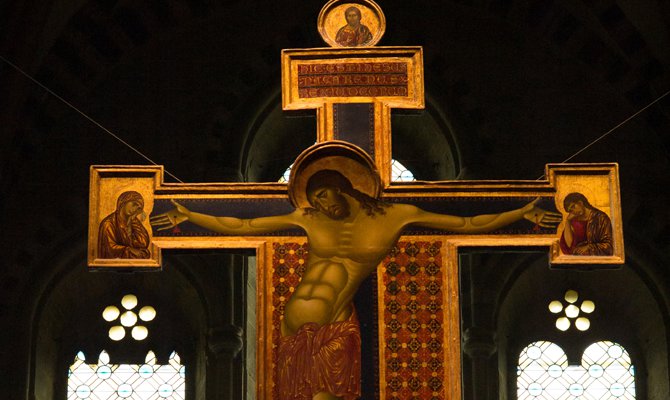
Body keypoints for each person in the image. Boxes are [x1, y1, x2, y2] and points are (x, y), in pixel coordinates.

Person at [150, 142, 560, 400]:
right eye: (315, 197)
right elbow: (243, 225)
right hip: (296, 326)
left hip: (338, 326)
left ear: (344, 186)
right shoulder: (308, 218)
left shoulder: (397, 215)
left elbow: (467, 222)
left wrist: (521, 212)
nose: (322, 203)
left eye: (326, 193)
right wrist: (190, 214)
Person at [98, 191, 151, 259]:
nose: (135, 209)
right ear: (124, 201)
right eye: (134, 204)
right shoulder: (108, 223)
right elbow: (110, 248)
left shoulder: (132, 222)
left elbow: (143, 243)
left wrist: (134, 220)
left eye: (138, 208)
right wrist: (130, 251)